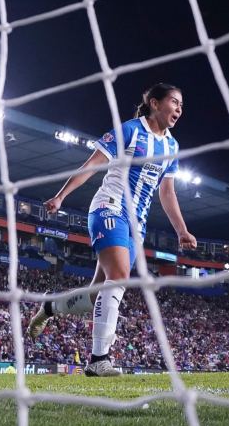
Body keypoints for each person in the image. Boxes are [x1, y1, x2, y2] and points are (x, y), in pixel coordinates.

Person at [29, 83, 197, 376]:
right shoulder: (131, 130)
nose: (179, 109)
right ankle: (98, 360)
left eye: (182, 104)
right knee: (118, 278)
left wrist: (182, 230)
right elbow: (91, 165)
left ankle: (51, 307)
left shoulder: (172, 146)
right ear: (155, 103)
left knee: (98, 295)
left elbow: (167, 192)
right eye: (174, 102)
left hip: (137, 226)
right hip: (110, 208)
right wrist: (61, 196)